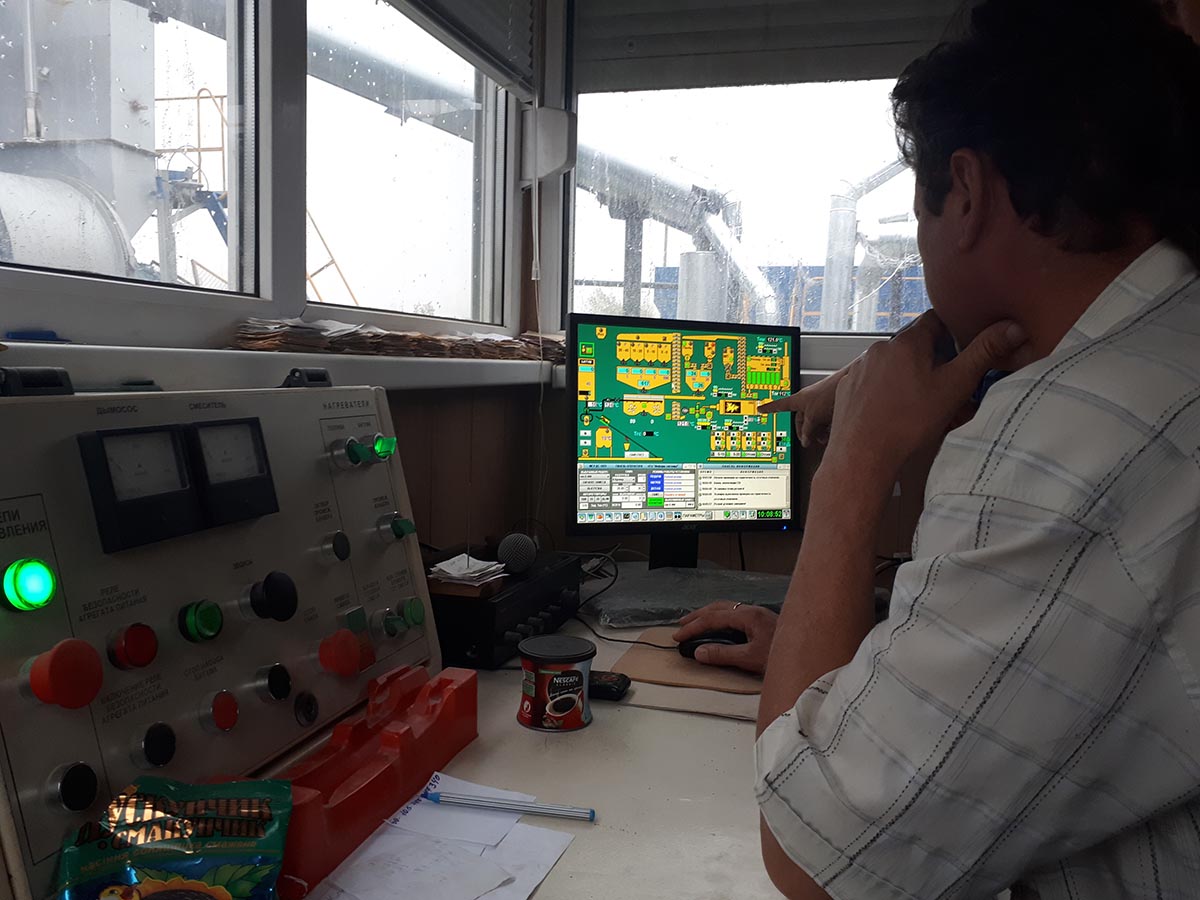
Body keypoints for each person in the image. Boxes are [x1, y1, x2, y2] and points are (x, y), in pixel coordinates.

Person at [683, 0, 1200, 897]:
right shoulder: (1165, 353)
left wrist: (856, 460)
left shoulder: (1069, 436)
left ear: (964, 193)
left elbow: (815, 859)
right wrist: (858, 668)